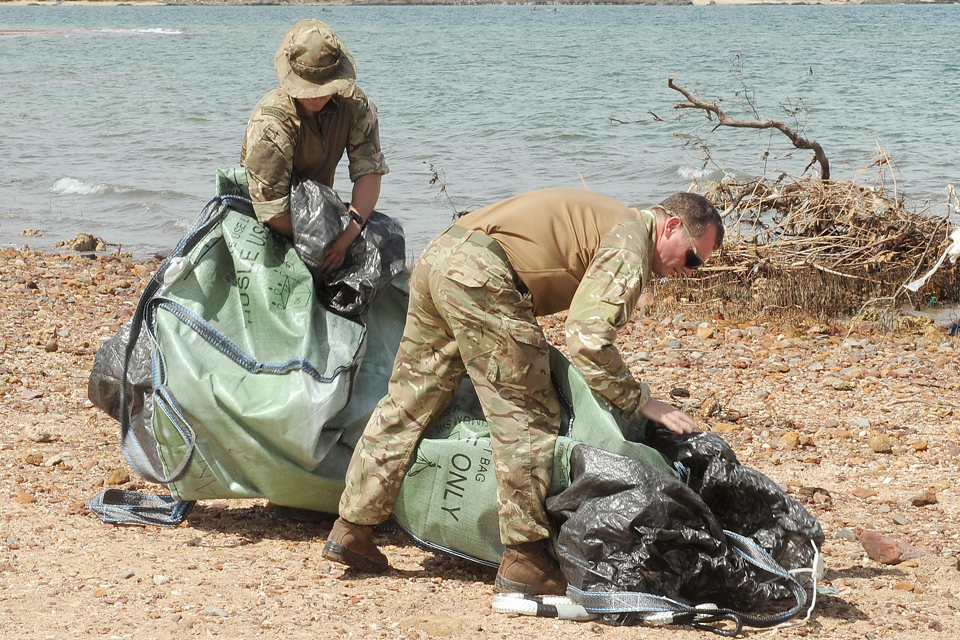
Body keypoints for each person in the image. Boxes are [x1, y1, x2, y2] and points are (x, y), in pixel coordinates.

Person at [322, 187, 724, 595]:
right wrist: (639, 401)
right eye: (692, 258)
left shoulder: (609, 217)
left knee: (408, 401)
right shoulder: (632, 239)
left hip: (440, 257)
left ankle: (353, 525)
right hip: (484, 276)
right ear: (670, 226)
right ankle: (525, 557)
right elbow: (587, 337)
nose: (689, 272)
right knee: (525, 413)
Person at [241, 19, 388, 273]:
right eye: (311, 87)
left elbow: (369, 171)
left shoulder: (354, 106)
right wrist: (322, 240)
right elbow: (271, 209)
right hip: (265, 219)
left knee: (386, 245)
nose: (319, 95)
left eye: (326, 85)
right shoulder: (272, 122)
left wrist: (348, 233)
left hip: (318, 213)